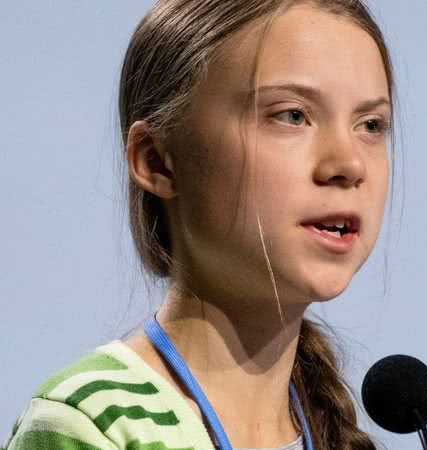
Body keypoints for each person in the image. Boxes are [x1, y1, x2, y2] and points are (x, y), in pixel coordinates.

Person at [2, 1, 397, 449]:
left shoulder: (331, 430)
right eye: (291, 115)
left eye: (370, 124)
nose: (348, 163)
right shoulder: (95, 425)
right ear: (156, 161)